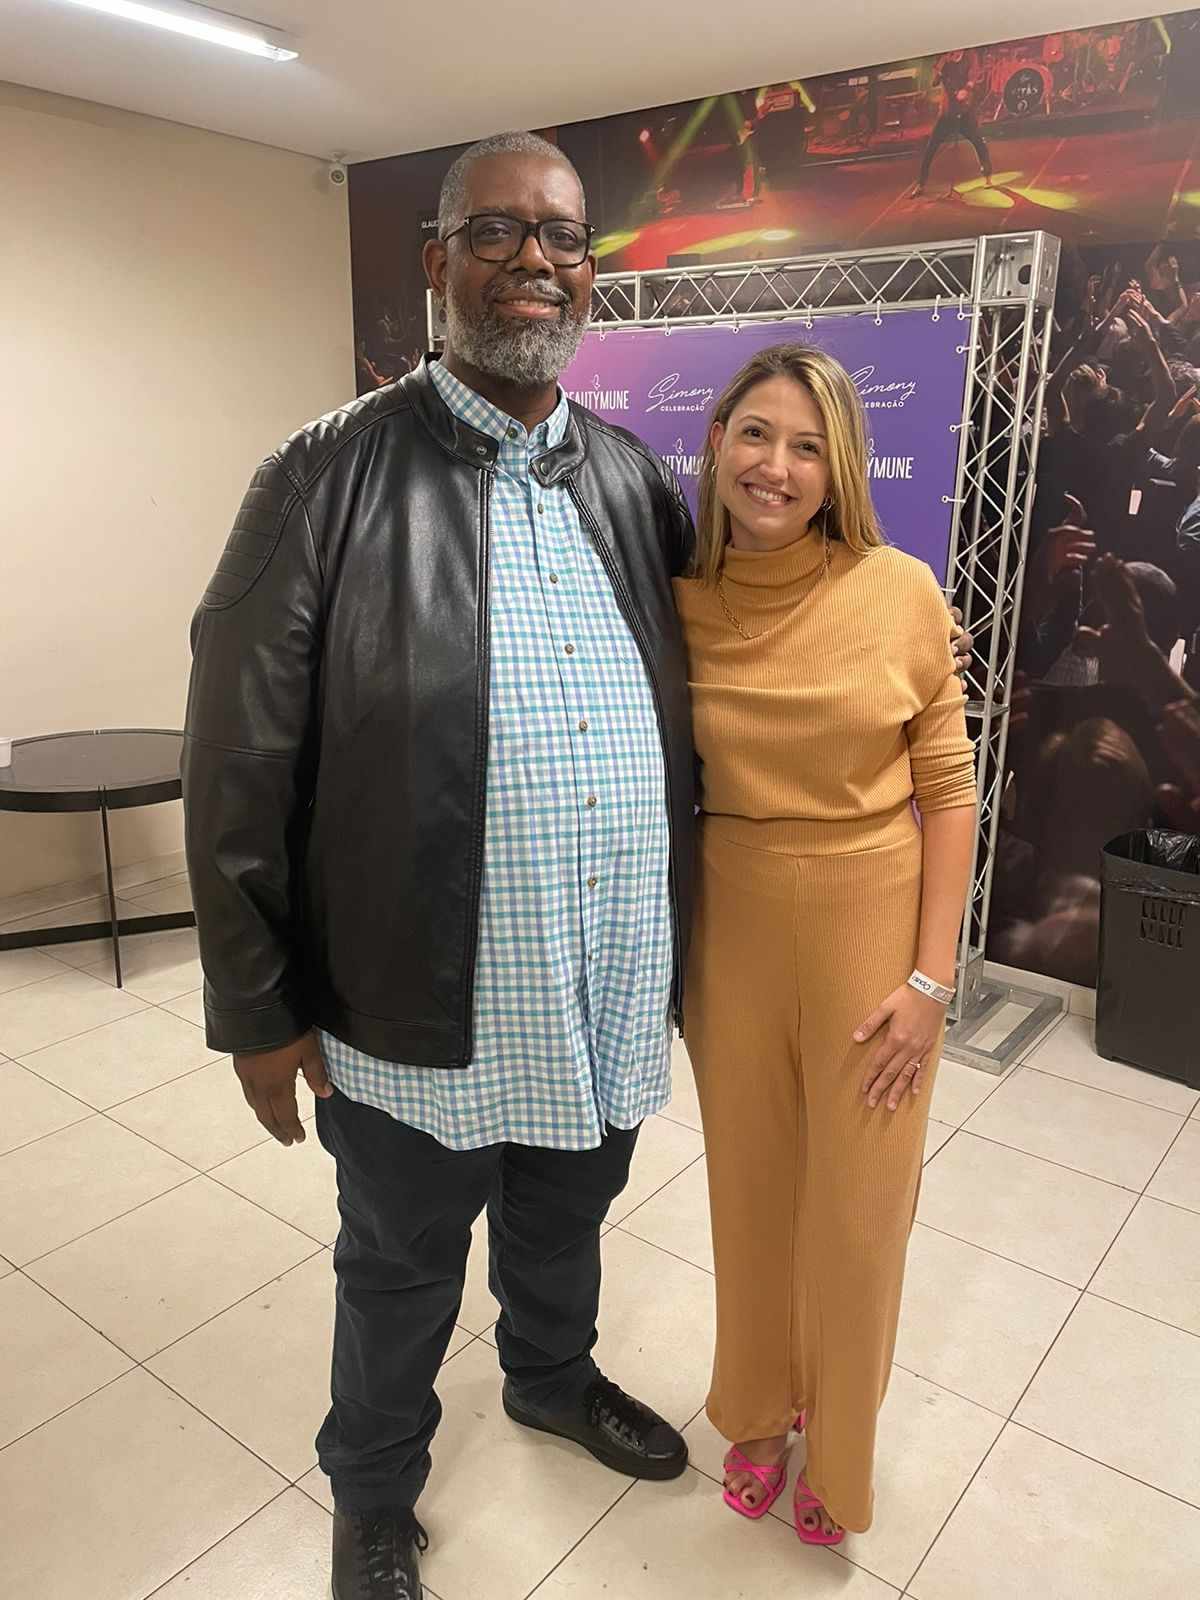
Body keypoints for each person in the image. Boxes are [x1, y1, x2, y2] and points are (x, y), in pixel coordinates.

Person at [182, 130, 699, 1600]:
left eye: (564, 237)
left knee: (566, 1216)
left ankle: (549, 1375)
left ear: (590, 271)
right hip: (413, 1003)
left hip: (598, 979)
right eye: (498, 232)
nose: (535, 260)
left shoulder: (628, 480)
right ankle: (372, 1495)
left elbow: (726, 673)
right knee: (399, 1265)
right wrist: (257, 1006)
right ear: (437, 263)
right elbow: (236, 760)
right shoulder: (323, 477)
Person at [672, 344, 978, 1543]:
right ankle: (756, 1410)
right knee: (752, 1195)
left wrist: (931, 980)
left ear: (840, 466)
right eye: (756, 433)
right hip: (732, 928)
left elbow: (948, 791)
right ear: (716, 442)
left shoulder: (901, 590)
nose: (777, 465)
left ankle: (840, 1453)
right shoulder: (678, 598)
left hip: (871, 926)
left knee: (856, 1217)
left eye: (808, 446)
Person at [910, 48, 992, 198]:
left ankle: (987, 175)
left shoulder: (970, 56)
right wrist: (941, 64)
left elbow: (973, 76)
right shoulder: (944, 61)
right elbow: (934, 82)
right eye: (952, 53)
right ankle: (921, 184)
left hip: (965, 110)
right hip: (947, 112)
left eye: (958, 52)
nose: (955, 54)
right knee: (930, 147)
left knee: (978, 142)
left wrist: (966, 89)